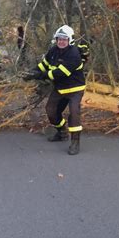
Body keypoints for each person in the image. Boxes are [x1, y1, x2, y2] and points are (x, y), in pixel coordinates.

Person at [23, 25, 86, 155]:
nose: (61, 42)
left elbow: (58, 73)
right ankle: (62, 132)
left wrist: (39, 75)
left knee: (74, 113)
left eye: (64, 39)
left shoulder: (74, 54)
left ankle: (75, 142)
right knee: (50, 110)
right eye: (59, 39)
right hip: (60, 88)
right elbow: (44, 65)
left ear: (70, 41)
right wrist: (32, 72)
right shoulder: (53, 51)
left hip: (75, 89)